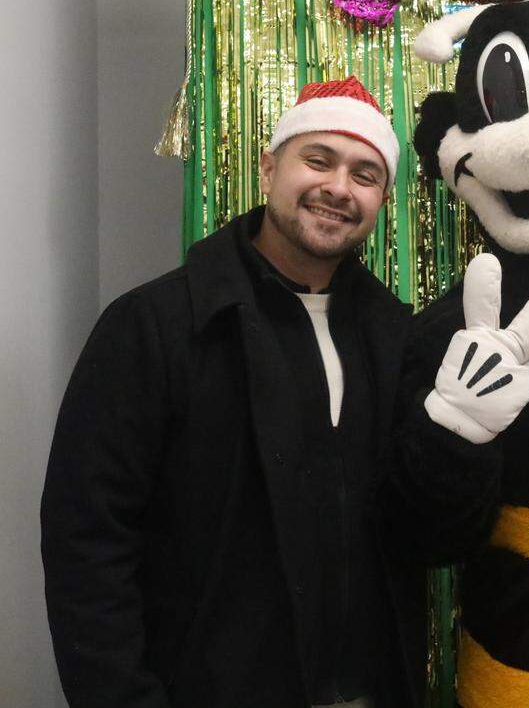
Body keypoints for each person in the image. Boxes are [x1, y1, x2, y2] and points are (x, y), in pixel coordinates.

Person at [42, 76, 425, 708]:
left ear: (382, 199)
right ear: (269, 169)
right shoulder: (155, 325)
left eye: (365, 175)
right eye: (318, 160)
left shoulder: (395, 337)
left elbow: (415, 525)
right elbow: (88, 538)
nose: (338, 188)